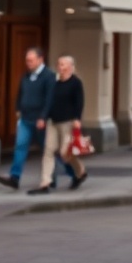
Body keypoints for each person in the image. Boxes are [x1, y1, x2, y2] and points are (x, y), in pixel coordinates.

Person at [0, 47, 73, 191]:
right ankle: (15, 177)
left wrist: (43, 117)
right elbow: (21, 93)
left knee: (50, 151)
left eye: (31, 60)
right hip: (26, 118)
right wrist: (18, 108)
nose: (28, 63)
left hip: (41, 120)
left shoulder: (49, 76)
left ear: (40, 59)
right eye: (27, 60)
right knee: (20, 146)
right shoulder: (26, 76)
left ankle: (73, 173)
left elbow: (49, 98)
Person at [28, 56, 87, 194]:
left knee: (64, 153)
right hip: (53, 122)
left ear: (70, 66)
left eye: (62, 64)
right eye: (58, 64)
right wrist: (43, 117)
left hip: (68, 122)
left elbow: (79, 102)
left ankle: (81, 171)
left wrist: (77, 119)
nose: (59, 67)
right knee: (48, 151)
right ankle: (45, 183)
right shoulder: (54, 83)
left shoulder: (75, 83)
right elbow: (48, 102)